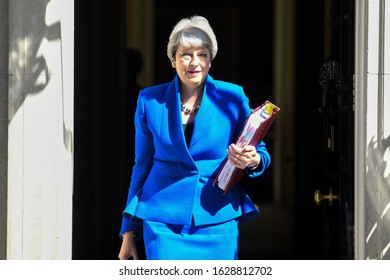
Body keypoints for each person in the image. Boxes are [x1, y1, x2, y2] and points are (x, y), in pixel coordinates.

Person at [118, 15, 271, 260]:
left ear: (211, 60)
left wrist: (253, 159)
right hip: (162, 222)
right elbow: (141, 166)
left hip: (217, 219)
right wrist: (129, 232)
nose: (194, 62)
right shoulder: (149, 101)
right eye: (186, 54)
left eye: (202, 54)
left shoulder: (232, 97)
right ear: (172, 59)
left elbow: (260, 151)